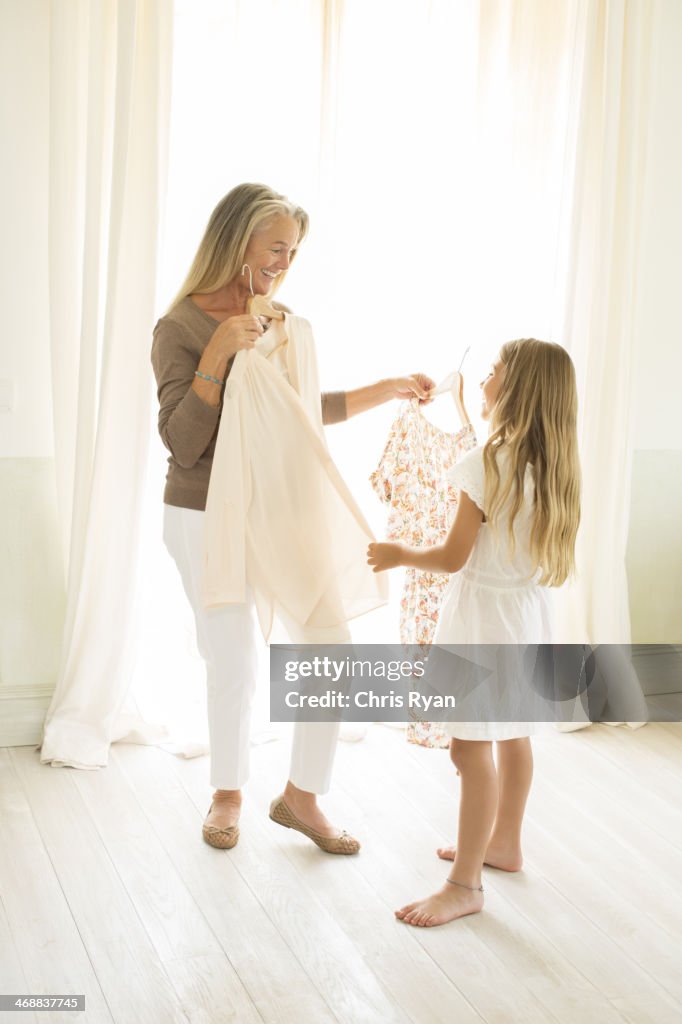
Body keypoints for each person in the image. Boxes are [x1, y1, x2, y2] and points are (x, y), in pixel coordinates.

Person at [151, 183, 434, 854]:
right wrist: (219, 353)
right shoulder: (180, 328)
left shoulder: (282, 321)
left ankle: (303, 796)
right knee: (234, 659)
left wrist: (387, 387)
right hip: (202, 511)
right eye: (276, 247)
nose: (284, 262)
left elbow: (304, 409)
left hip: (277, 509)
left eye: (294, 251)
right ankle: (227, 792)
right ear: (235, 240)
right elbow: (183, 442)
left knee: (330, 645)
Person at [368, 339, 581, 923]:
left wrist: (398, 553)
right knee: (513, 736)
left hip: (482, 619)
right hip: (526, 616)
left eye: (492, 372)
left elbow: (453, 557)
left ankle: (464, 884)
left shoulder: (485, 464)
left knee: (468, 746)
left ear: (513, 390)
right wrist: (462, 409)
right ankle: (504, 843)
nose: (483, 379)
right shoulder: (554, 465)